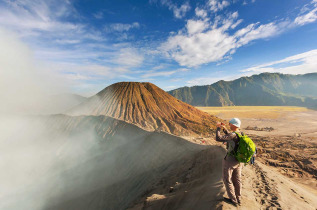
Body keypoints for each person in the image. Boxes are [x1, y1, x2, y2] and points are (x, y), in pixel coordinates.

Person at [215, 118, 243, 207]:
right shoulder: (241, 133)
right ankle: (238, 199)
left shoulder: (233, 134)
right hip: (239, 160)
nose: (229, 125)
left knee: (227, 179)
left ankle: (233, 200)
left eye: (230, 124)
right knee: (237, 180)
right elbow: (232, 137)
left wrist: (218, 128)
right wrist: (224, 129)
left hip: (230, 160)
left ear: (234, 125)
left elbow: (218, 138)